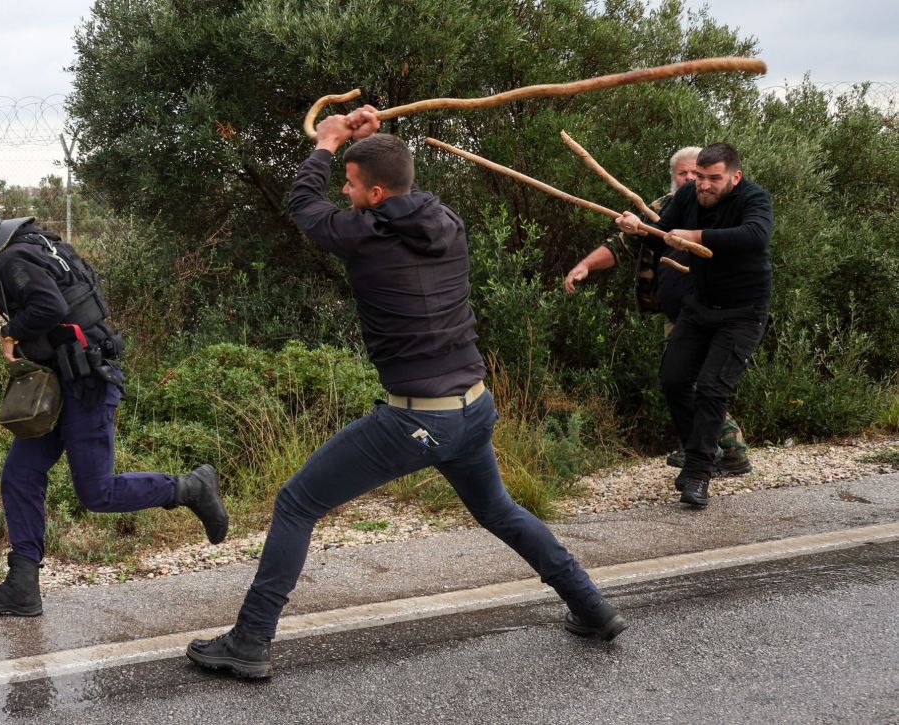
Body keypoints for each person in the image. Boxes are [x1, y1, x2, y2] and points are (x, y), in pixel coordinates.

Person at [186, 108, 627, 680]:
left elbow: (302, 204)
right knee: (498, 510)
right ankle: (592, 608)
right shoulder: (446, 219)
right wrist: (369, 145)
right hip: (473, 405)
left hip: (420, 420)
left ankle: (249, 641)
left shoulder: (364, 236)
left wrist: (326, 143)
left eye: (350, 185)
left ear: (372, 193)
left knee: (297, 502)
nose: (342, 192)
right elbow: (404, 188)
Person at [0, 210, 229, 616]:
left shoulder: (14, 260)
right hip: (61, 377)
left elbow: (49, 306)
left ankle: (190, 487)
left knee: (97, 492)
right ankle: (22, 586)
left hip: (87, 381)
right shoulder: (30, 248)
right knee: (21, 473)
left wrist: (10, 331)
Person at [564, 148, 751, 477]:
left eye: (698, 173)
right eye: (684, 174)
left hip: (717, 312)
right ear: (673, 176)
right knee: (677, 378)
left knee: (702, 381)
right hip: (678, 314)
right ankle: (701, 447)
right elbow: (624, 243)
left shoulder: (726, 207)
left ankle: (728, 451)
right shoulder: (664, 208)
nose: (692, 179)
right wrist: (585, 266)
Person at [613, 142, 772, 507]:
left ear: (735, 177)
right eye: (700, 177)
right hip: (700, 307)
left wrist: (696, 237)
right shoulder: (688, 195)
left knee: (713, 388)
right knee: (673, 378)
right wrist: (637, 228)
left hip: (743, 312)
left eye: (713, 178)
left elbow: (755, 236)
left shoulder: (755, 199)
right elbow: (665, 230)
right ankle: (705, 450)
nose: (703, 185)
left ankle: (699, 473)